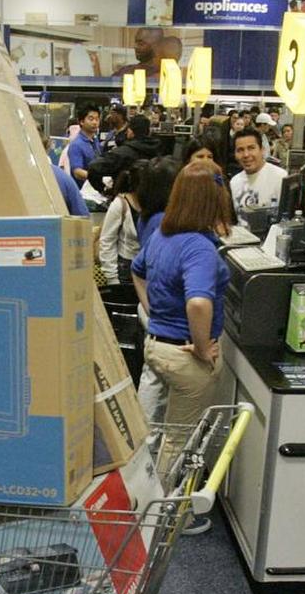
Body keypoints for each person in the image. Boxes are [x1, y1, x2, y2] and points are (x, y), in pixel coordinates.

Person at [131, 161, 232, 534]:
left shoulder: (163, 235)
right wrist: (204, 347)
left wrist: (153, 309)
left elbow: (136, 270)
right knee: (180, 439)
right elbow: (199, 303)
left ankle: (144, 503)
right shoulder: (199, 248)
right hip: (185, 358)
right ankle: (168, 517)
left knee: (156, 431)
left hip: (157, 346)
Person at [131, 156, 182, 423]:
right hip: (158, 308)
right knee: (154, 383)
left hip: (152, 304)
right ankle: (146, 449)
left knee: (153, 379)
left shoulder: (148, 215)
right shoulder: (164, 222)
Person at [85, 115, 163, 193]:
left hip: (124, 198)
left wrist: (104, 190)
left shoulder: (121, 153)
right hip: (149, 199)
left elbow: (93, 167)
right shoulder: (158, 151)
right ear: (148, 131)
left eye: (128, 129)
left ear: (131, 132)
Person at [99, 161, 144, 284]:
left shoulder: (152, 204)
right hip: (125, 269)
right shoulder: (120, 204)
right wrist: (112, 277)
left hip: (147, 269)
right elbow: (107, 241)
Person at [229, 127, 287, 224]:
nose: (246, 155)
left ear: (262, 150)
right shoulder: (234, 182)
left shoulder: (280, 177)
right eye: (240, 150)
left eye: (251, 148)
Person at [64, 103, 102, 189]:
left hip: (96, 191)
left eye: (97, 119)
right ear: (81, 121)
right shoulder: (76, 145)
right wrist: (99, 178)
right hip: (83, 193)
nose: (95, 122)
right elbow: (77, 172)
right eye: (91, 119)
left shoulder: (95, 140)